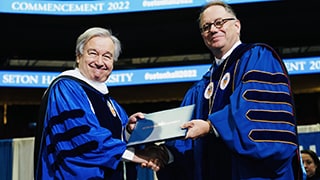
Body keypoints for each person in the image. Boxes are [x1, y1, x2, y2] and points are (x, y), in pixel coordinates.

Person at [156, 1, 304, 179]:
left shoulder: (257, 58)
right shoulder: (201, 87)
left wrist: (211, 126)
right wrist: (163, 154)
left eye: (219, 22)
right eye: (206, 27)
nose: (213, 29)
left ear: (237, 25)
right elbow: (183, 139)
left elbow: (257, 115)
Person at [33, 27, 165, 180]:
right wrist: (137, 156)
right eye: (93, 53)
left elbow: (114, 137)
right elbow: (84, 139)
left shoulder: (110, 101)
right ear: (78, 56)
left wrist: (129, 131)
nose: (100, 62)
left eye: (107, 56)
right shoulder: (65, 88)